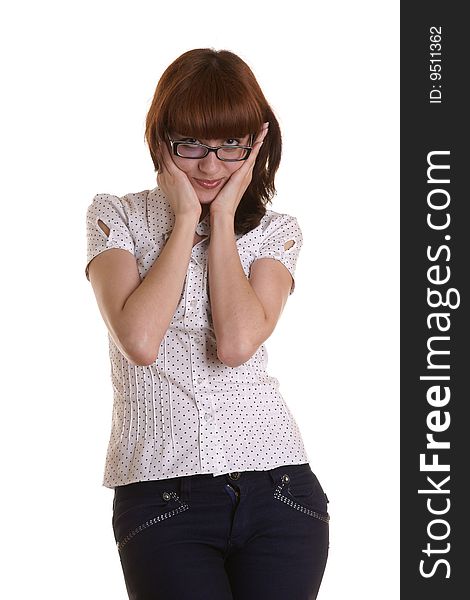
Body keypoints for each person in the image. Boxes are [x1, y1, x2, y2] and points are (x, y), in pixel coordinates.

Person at [85, 48, 329, 600]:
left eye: (230, 146)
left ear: (256, 144)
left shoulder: (275, 232)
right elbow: (140, 341)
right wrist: (185, 221)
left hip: (281, 488)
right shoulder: (115, 215)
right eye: (191, 145)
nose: (211, 165)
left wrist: (221, 219)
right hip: (160, 499)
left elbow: (239, 341)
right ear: (161, 140)